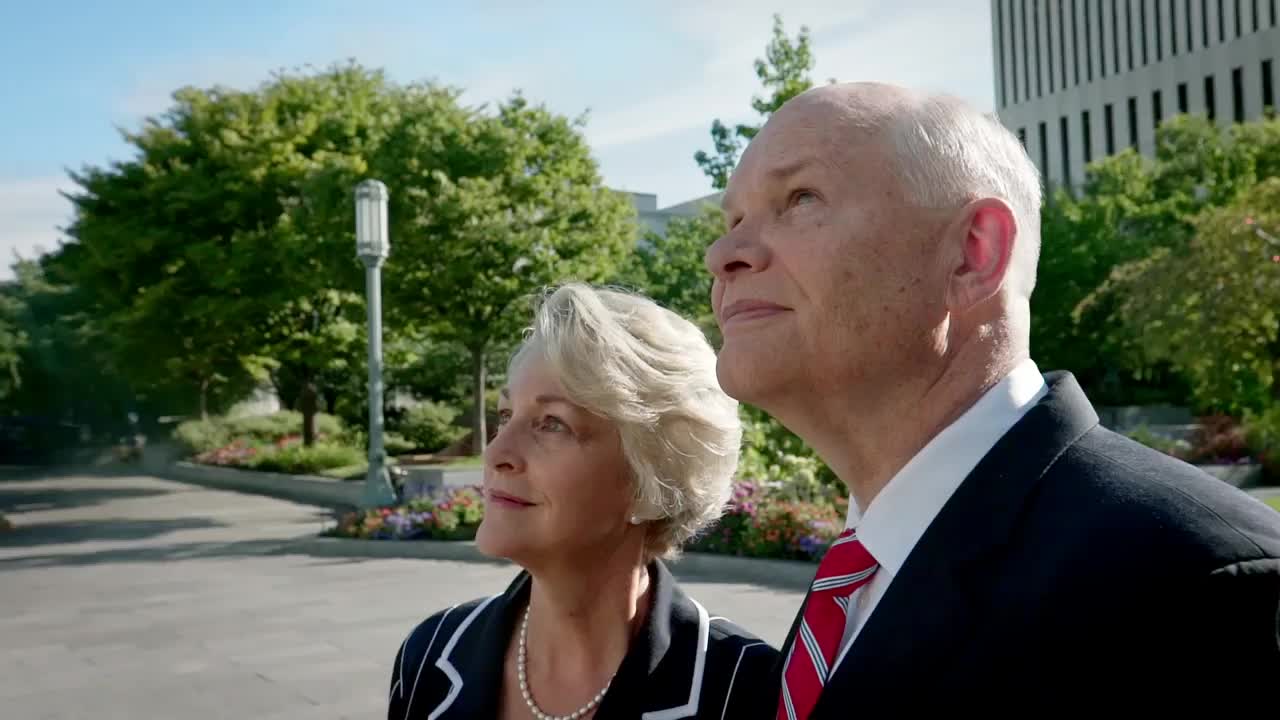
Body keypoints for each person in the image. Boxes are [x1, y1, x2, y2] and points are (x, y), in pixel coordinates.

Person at [705, 82, 1280, 715]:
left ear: (973, 255)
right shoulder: (857, 578)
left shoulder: (1198, 584)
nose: (722, 254)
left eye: (800, 198)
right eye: (734, 221)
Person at [387, 283, 778, 720]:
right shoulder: (430, 656)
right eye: (505, 415)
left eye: (552, 424)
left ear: (652, 482)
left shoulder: (747, 690)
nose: (497, 453)